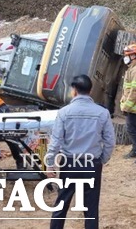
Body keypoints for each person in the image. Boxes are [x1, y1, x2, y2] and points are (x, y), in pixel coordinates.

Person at [46, 75, 115, 229]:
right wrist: (101, 160)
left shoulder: (64, 112)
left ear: (74, 90)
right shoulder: (102, 113)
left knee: (61, 205)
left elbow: (56, 142)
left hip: (69, 164)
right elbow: (110, 142)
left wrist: (50, 164)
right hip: (92, 164)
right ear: (90, 90)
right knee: (90, 208)